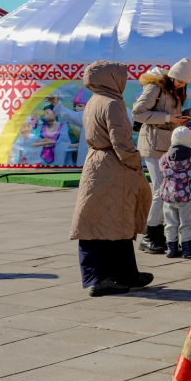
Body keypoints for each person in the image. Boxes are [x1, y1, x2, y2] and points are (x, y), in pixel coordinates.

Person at [69, 61, 154, 297]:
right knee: (109, 223)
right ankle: (100, 279)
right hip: (114, 166)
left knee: (107, 221)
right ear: (112, 78)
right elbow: (122, 141)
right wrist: (134, 162)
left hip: (96, 162)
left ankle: (124, 274)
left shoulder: (94, 100)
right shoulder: (114, 103)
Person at [133, 59, 191, 255]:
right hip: (153, 144)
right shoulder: (155, 88)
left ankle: (160, 236)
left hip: (167, 145)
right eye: (178, 80)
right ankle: (150, 235)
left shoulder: (175, 91)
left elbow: (174, 115)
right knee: (160, 190)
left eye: (184, 82)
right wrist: (168, 119)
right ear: (171, 75)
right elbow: (138, 113)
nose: (180, 84)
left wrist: (190, 113)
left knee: (165, 190)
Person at [158, 126, 191, 259]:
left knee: (170, 222)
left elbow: (161, 170)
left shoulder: (165, 157)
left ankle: (172, 248)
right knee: (185, 222)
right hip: (186, 195)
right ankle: (187, 248)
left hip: (168, 195)